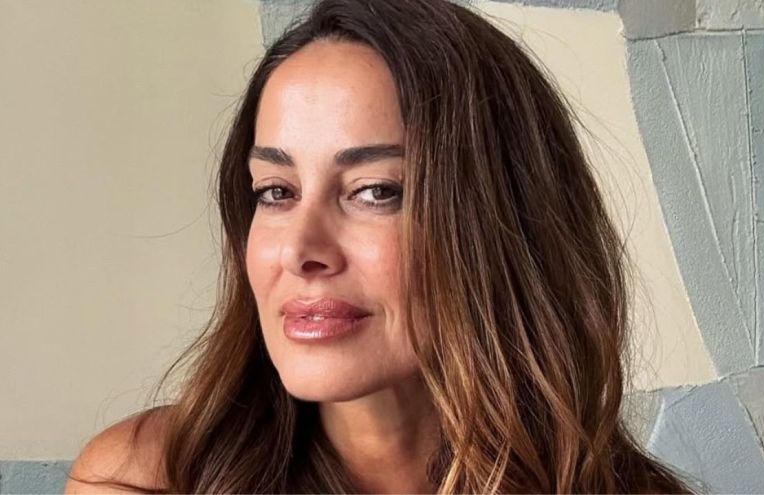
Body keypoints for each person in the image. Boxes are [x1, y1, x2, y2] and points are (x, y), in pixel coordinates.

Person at [65, 0, 695, 492]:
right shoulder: (144, 479)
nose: (301, 250)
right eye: (277, 192)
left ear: (502, 223)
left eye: (375, 192)